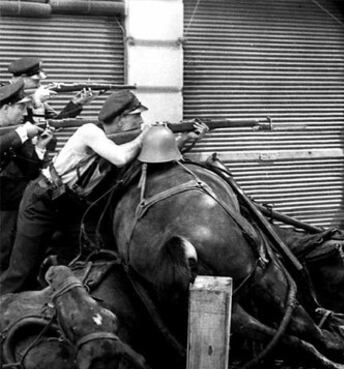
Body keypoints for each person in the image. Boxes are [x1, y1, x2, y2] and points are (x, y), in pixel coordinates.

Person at [0, 90, 208, 294]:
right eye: (136, 117)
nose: (141, 121)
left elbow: (147, 160)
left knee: (89, 256)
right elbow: (120, 158)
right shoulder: (89, 131)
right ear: (121, 119)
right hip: (42, 200)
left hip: (69, 205)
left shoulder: (120, 140)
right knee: (21, 272)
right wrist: (143, 137)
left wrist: (186, 138)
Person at [0, 80, 55, 272]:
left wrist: (39, 147)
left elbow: (28, 172)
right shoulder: (17, 132)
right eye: (21, 108)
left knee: (8, 252)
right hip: (4, 202)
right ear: (6, 107)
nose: (25, 114)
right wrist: (21, 134)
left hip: (11, 202)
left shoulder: (18, 130)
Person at [7, 56, 95, 122]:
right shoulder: (4, 94)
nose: (40, 84)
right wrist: (36, 102)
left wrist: (76, 103)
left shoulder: (32, 95)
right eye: (36, 81)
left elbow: (55, 122)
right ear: (23, 78)